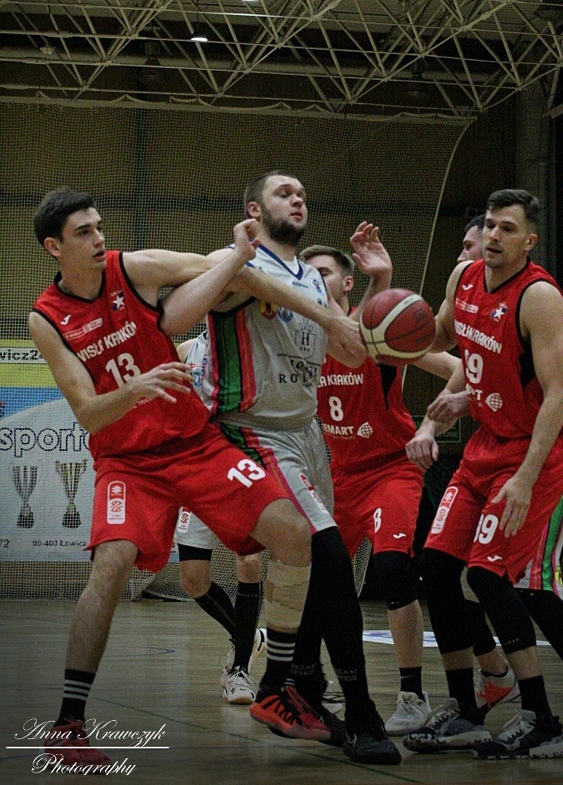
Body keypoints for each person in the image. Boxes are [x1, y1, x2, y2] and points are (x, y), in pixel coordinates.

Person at [30, 186, 358, 768]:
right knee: (111, 565)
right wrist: (135, 389)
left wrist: (324, 314)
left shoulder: (133, 268)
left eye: (99, 226)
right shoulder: (46, 318)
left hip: (195, 445)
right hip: (128, 462)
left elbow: (235, 274)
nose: (99, 238)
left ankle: (276, 689)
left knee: (293, 534)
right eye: (84, 233)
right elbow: (88, 412)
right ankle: (68, 723)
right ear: (55, 247)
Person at [161, 171, 401, 766]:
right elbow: (174, 315)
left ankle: (294, 687)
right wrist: (241, 261)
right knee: (330, 559)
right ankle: (359, 709)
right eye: (283, 193)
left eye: (302, 194)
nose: (297, 199)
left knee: (318, 567)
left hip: (307, 434)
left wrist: (381, 284)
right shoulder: (237, 262)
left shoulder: (313, 281)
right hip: (254, 430)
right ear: (253, 209)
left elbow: (352, 350)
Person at [421, 213, 563, 748]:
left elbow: (546, 391)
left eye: (473, 245)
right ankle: (489, 686)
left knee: (522, 583)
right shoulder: (470, 292)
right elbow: (466, 368)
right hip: (493, 446)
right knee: (447, 569)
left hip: (549, 449)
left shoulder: (532, 298)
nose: (467, 255)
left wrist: (468, 405)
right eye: (470, 243)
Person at [403, 189, 563, 760]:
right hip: (485, 445)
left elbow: (557, 394)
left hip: (534, 452)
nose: (494, 236)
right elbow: (440, 338)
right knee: (436, 567)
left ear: (529, 241)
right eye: (490, 225)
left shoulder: (539, 297)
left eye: (507, 228)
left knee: (487, 575)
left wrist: (525, 478)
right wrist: (388, 317)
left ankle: (542, 718)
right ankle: (465, 709)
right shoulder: (463, 278)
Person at [301, 229, 434, 736]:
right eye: (307, 274)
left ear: (347, 282)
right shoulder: (302, 340)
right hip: (339, 476)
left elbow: (455, 368)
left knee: (392, 569)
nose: (314, 280)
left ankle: (413, 695)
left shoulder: (379, 330)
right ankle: (309, 684)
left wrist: (429, 426)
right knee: (317, 577)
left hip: (391, 468)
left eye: (324, 272)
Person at [175, 333, 266, 705]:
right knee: (193, 580)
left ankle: (240, 670)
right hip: (196, 471)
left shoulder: (253, 346)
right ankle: (246, 636)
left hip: (242, 466)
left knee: (250, 561)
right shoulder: (186, 351)